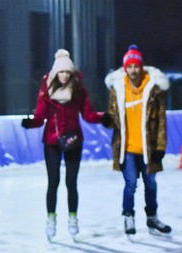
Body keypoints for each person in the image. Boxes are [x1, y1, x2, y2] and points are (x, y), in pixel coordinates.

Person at [21, 49, 109, 240]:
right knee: (53, 182)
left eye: (67, 72)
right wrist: (31, 123)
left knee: (71, 182)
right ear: (55, 73)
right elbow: (40, 116)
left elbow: (88, 115)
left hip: (73, 141)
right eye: (61, 72)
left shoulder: (79, 91)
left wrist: (103, 118)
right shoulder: (46, 92)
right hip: (52, 141)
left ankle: (73, 218)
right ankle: (51, 219)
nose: (64, 75)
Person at [104, 45, 172, 236]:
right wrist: (108, 120)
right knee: (131, 184)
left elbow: (161, 121)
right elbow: (113, 115)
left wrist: (160, 146)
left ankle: (152, 218)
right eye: (130, 66)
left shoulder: (153, 90)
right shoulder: (118, 89)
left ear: (141, 67)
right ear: (125, 69)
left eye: (136, 66)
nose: (133, 70)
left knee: (151, 184)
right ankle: (128, 217)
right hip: (127, 148)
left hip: (149, 148)